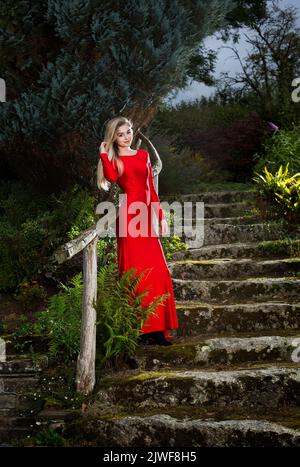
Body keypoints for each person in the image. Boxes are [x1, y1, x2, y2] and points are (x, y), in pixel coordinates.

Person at [97, 116, 178, 346]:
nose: (126, 137)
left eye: (128, 131)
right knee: (134, 274)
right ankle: (139, 330)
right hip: (129, 220)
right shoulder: (114, 158)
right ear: (113, 137)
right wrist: (104, 153)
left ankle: (159, 328)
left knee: (158, 271)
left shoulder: (143, 156)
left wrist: (160, 217)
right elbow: (112, 178)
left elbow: (150, 189)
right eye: (120, 134)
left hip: (145, 219)